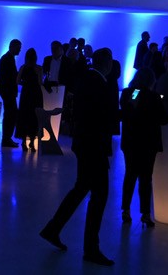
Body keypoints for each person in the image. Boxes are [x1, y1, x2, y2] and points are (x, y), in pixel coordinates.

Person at [39, 47, 118, 266]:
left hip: (85, 144)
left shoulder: (87, 79)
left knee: (81, 189)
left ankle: (53, 229)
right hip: (94, 146)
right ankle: (90, 248)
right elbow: (102, 116)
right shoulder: (99, 83)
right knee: (99, 195)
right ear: (107, 63)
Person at [119, 69, 168, 226]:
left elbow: (127, 111)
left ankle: (126, 210)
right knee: (146, 178)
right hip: (148, 143)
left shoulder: (130, 93)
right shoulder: (154, 96)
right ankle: (145, 213)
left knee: (130, 175)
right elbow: (164, 118)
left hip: (131, 142)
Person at [17, 48, 43, 150]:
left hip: (26, 94)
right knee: (34, 117)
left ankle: (24, 142)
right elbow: (40, 82)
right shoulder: (39, 68)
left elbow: (18, 81)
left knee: (24, 116)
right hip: (36, 93)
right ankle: (32, 141)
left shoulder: (23, 67)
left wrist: (26, 84)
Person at [0, 39, 22, 148]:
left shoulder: (6, 58)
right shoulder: (8, 59)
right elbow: (10, 76)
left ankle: (7, 138)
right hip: (8, 91)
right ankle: (7, 139)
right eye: (18, 48)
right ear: (12, 47)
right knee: (10, 114)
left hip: (6, 91)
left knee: (9, 114)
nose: (19, 50)